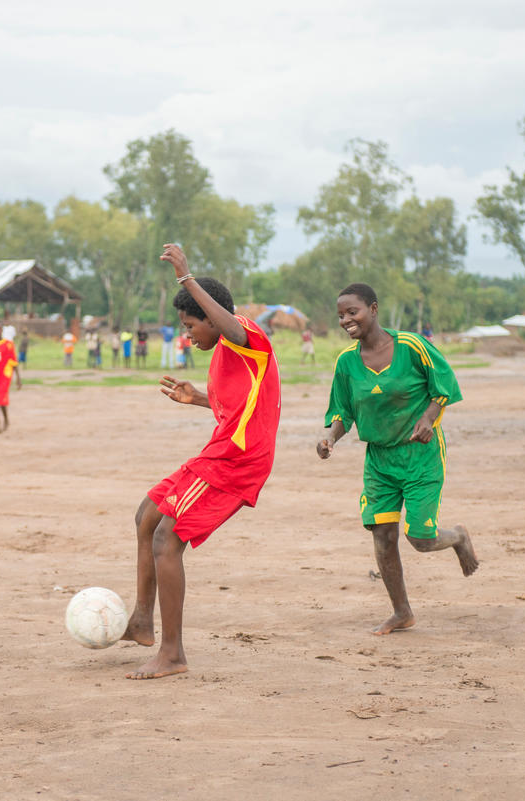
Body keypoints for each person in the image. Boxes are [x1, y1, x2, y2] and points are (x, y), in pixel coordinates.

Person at [123, 243, 281, 680]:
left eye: (191, 324)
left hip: (238, 460)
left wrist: (185, 277)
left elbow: (230, 327)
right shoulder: (226, 357)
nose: (187, 334)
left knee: (166, 540)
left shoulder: (247, 336)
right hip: (221, 450)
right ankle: (141, 620)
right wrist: (197, 399)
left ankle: (172, 655)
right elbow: (241, 405)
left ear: (212, 317)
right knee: (145, 516)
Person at [316, 282, 478, 636]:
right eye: (341, 315)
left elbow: (443, 383)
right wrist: (329, 437)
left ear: (373, 309)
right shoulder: (346, 363)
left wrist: (428, 418)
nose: (346, 320)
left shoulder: (410, 346)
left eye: (352, 312)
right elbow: (342, 412)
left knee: (420, 538)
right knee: (383, 536)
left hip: (421, 456)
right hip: (379, 461)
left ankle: (458, 537)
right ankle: (401, 612)